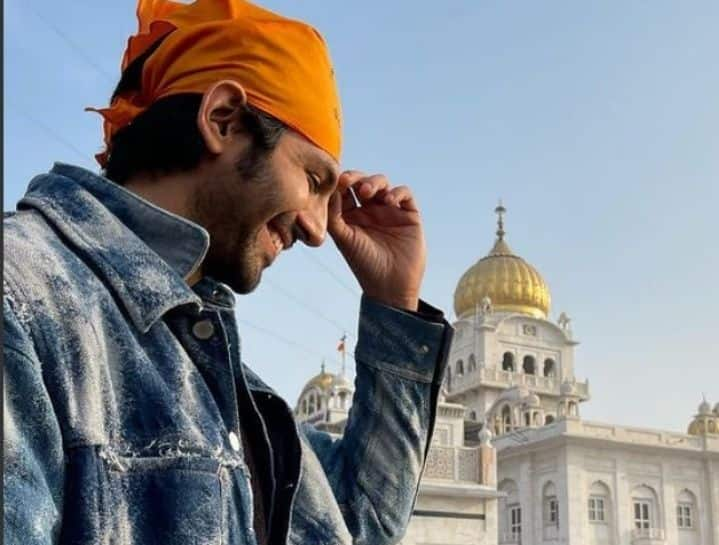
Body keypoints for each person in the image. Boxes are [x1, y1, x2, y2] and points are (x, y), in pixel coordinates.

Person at [2, 1, 453, 544]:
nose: (317, 229)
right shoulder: (24, 296)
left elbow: (355, 527)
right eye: (313, 180)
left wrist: (393, 304)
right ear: (222, 120)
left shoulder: (230, 387)